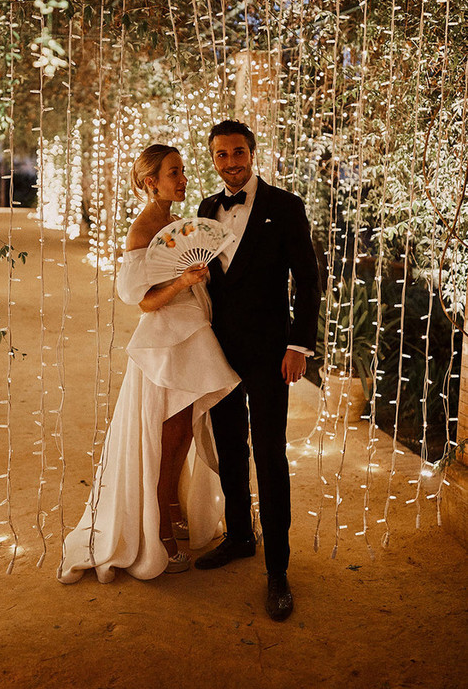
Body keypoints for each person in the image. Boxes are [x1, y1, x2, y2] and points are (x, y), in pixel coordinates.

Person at [58, 144, 240, 584]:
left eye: (182, 172)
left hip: (194, 333)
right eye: (173, 173)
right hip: (166, 343)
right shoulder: (142, 231)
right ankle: (156, 525)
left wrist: (199, 277)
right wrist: (183, 280)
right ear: (149, 182)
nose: (182, 180)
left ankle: (172, 507)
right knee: (167, 435)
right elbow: (143, 302)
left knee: (183, 434)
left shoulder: (176, 224)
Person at [195, 120, 321, 621]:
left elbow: (308, 283)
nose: (231, 162)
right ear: (214, 159)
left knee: (269, 455)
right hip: (217, 352)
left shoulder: (285, 207)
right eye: (222, 155)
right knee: (228, 447)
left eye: (239, 152)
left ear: (253, 152)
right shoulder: (206, 210)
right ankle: (241, 538)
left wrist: (299, 346)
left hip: (272, 352)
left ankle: (278, 570)